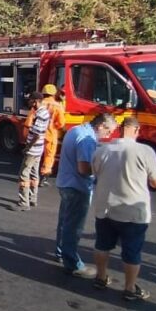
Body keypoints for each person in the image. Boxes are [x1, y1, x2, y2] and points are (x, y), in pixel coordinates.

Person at [90, 116, 156, 301]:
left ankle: (100, 277)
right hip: (132, 212)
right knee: (132, 251)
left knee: (102, 245)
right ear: (137, 131)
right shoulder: (145, 151)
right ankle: (129, 288)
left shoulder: (102, 150)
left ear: (119, 130)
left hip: (105, 207)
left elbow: (95, 172)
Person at [55, 112, 118, 276]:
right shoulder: (87, 139)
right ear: (101, 126)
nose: (108, 135)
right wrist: (101, 171)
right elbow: (83, 169)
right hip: (77, 187)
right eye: (108, 131)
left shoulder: (76, 130)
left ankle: (61, 253)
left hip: (65, 183)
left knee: (65, 222)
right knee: (73, 227)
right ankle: (73, 264)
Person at [14, 93, 50, 210]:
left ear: (35, 101)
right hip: (39, 149)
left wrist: (27, 147)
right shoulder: (44, 112)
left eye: (30, 100)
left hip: (33, 150)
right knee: (34, 174)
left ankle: (24, 202)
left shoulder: (40, 114)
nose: (28, 102)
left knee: (24, 174)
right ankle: (33, 198)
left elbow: (37, 135)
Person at [39, 84, 65, 182]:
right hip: (50, 134)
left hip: (38, 133)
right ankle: (44, 177)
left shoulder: (39, 104)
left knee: (36, 154)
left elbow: (30, 119)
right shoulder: (57, 106)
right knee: (49, 155)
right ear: (54, 94)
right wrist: (55, 127)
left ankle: (33, 174)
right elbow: (61, 123)